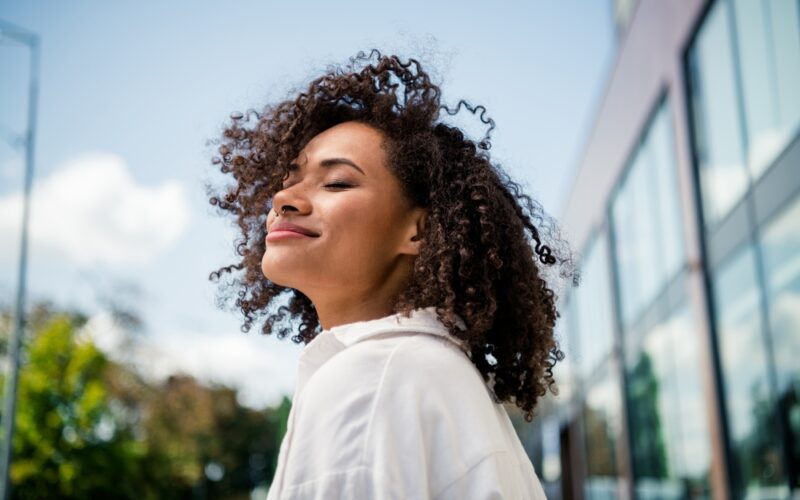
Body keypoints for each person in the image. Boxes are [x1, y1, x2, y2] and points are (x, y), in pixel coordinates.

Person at [208, 50, 578, 499]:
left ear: (419, 230)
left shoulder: (369, 385)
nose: (284, 199)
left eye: (337, 182)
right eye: (290, 179)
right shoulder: (432, 379)